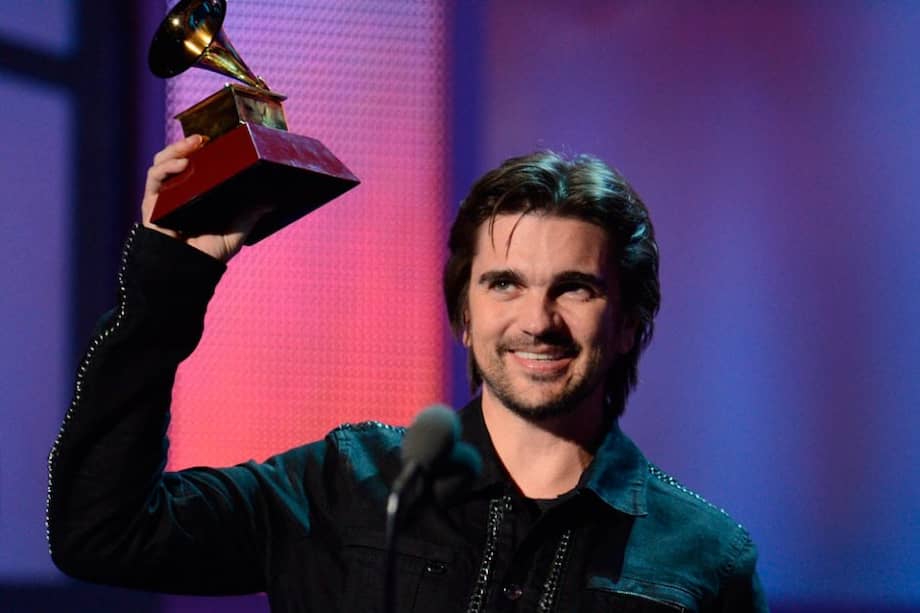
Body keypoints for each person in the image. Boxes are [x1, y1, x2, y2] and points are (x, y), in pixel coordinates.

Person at [47, 134, 768, 612]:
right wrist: (169, 286)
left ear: (631, 322)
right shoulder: (343, 482)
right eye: (504, 283)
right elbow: (102, 533)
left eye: (574, 287)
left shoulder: (705, 555)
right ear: (463, 312)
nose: (537, 319)